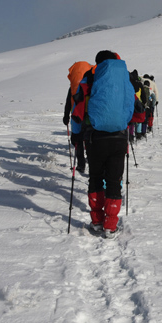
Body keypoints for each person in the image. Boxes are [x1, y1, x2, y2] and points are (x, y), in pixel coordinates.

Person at [70, 50, 137, 237]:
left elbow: (78, 108)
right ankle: (110, 225)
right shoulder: (126, 80)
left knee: (96, 178)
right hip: (119, 138)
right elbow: (132, 107)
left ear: (97, 63)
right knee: (114, 181)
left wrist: (76, 135)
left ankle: (97, 221)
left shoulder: (89, 79)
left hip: (94, 138)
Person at [63, 61, 93, 172]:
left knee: (77, 140)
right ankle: (91, 163)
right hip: (89, 117)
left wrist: (66, 115)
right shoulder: (91, 85)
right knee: (89, 141)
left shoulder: (74, 87)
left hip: (76, 116)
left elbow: (68, 102)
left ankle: (81, 164)